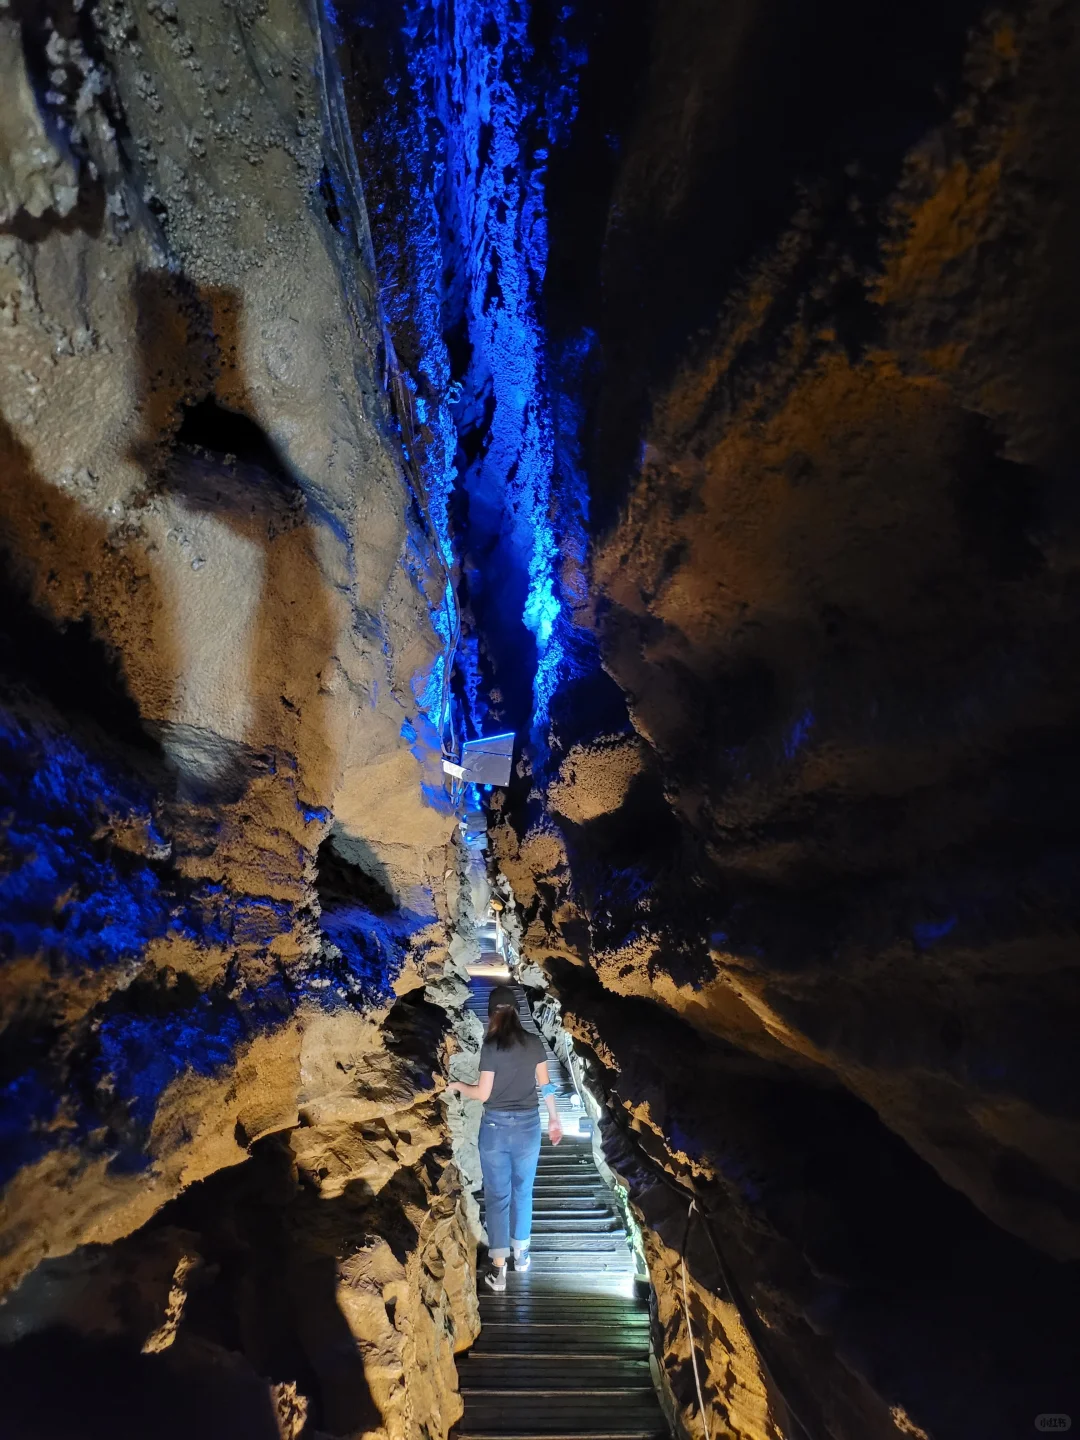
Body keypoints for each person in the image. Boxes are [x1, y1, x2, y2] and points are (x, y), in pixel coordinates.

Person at [446, 985, 563, 1292]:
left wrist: (458, 1085)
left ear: (492, 1014)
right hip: (528, 1128)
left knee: (498, 1199)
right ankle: (522, 1256)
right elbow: (547, 1086)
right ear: (516, 1011)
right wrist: (554, 1119)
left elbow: (482, 1093)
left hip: (496, 1130)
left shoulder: (491, 1047)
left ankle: (499, 1272)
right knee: (523, 1191)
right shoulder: (534, 1043)